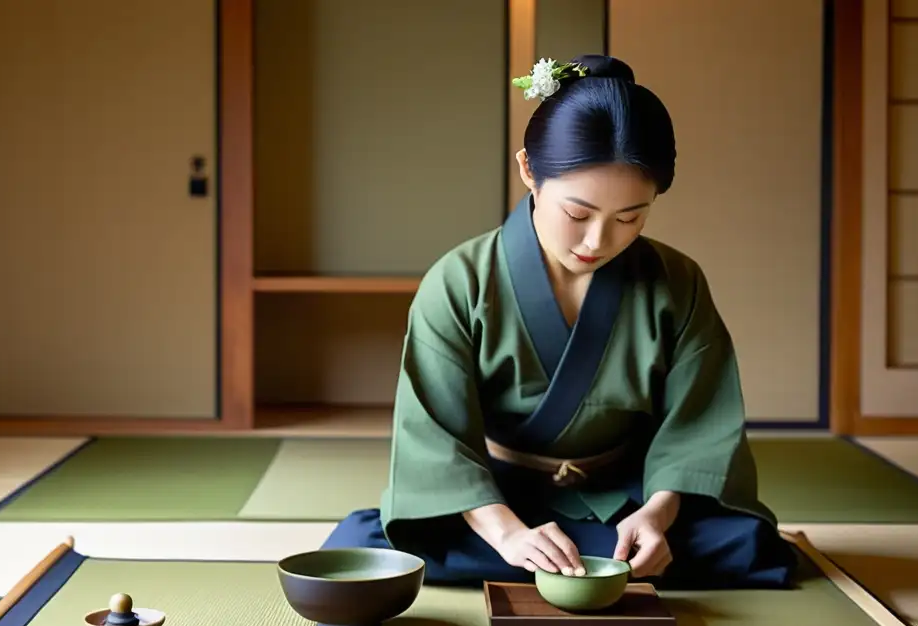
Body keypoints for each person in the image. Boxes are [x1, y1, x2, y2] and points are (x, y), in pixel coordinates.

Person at [321, 54, 797, 589]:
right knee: (367, 544)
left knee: (748, 545)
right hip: (494, 500)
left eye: (630, 218)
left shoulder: (676, 281)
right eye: (577, 214)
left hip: (627, 500)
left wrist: (658, 516)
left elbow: (697, 426)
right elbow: (434, 438)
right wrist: (508, 536)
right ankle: (576, 561)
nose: (598, 241)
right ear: (529, 170)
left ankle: (617, 554)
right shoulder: (458, 283)